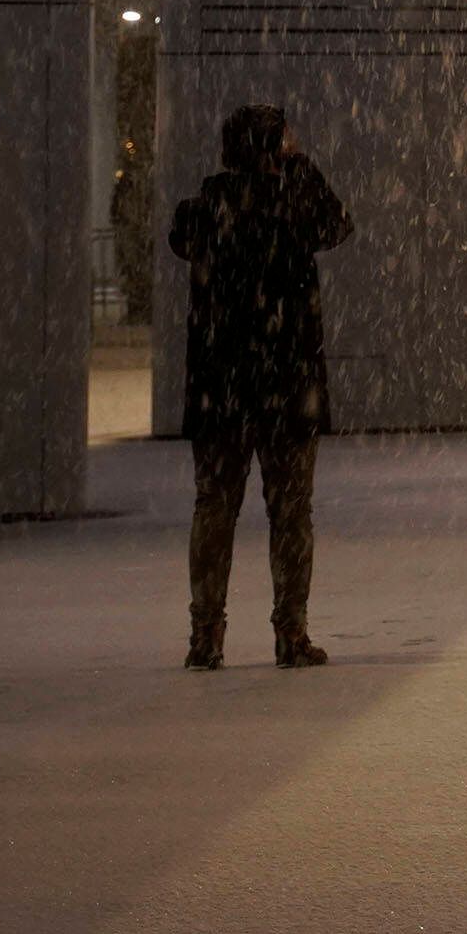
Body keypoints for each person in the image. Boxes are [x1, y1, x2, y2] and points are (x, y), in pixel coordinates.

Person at [168, 102, 349, 671]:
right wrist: (297, 169)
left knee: (214, 507)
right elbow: (337, 223)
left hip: (220, 389)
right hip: (285, 385)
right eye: (288, 142)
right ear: (274, 150)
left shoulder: (207, 209)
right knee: (291, 511)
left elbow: (185, 236)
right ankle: (290, 634)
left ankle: (206, 634)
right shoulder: (292, 205)